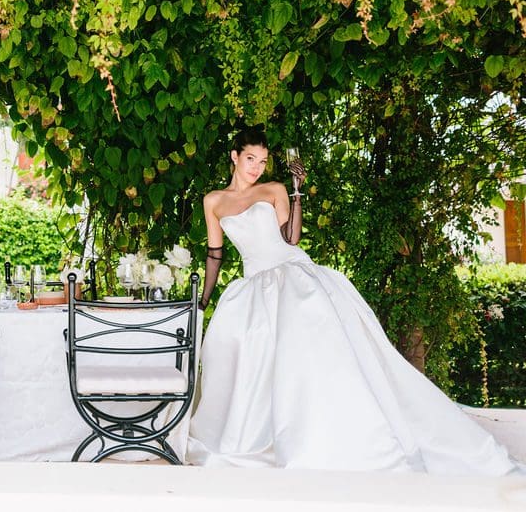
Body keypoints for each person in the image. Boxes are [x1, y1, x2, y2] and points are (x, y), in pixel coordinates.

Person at [186, 127, 521, 475]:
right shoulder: (214, 201)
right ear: (235, 157)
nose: (256, 168)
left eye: (263, 161)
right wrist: (203, 299)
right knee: (243, 351)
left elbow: (291, 238)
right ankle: (256, 435)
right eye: (251, 159)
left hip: (291, 274)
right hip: (252, 286)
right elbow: (215, 254)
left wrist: (297, 192)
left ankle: (327, 435)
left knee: (308, 358)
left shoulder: (273, 190)